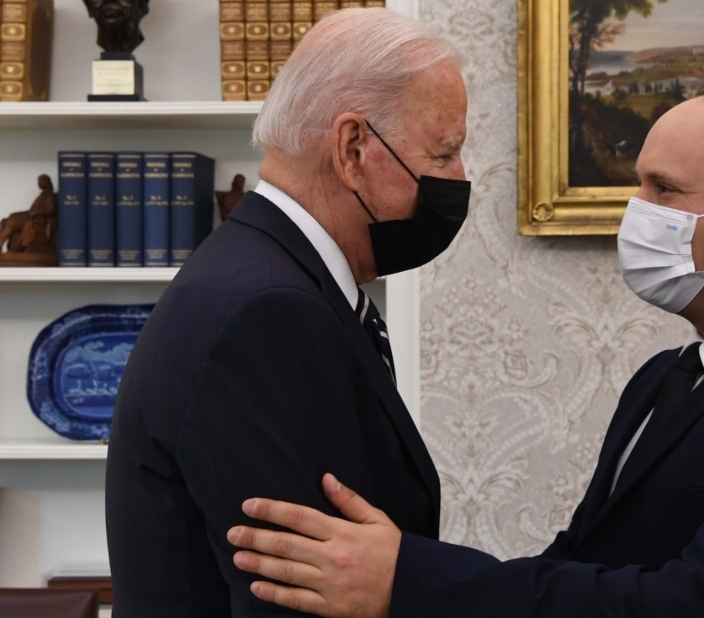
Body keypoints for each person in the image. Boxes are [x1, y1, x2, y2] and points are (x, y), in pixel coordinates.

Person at [225, 92, 704, 618]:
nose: (638, 214)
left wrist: (409, 579)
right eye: (639, 186)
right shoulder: (666, 379)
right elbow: (583, 566)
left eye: (666, 191)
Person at [105, 8, 470, 617]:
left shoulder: (271, 275)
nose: (459, 178)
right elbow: (305, 600)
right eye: (445, 152)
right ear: (353, 148)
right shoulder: (269, 313)